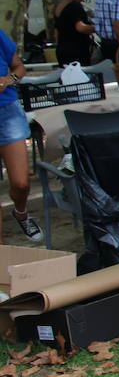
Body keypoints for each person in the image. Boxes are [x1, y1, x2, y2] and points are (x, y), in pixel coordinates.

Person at [0, 33, 40, 242]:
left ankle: (21, 213)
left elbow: (19, 68)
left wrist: (9, 80)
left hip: (7, 113)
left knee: (21, 183)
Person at [54, 0, 96, 66]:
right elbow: (80, 27)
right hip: (77, 52)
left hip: (63, 50)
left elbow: (56, 33)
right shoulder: (75, 6)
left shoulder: (59, 7)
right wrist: (96, 28)